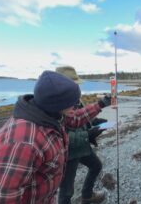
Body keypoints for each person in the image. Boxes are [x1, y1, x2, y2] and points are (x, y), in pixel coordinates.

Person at [0, 70, 111, 204]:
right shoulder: (22, 143)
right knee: (66, 193)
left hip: (46, 197)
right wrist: (87, 135)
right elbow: (0, 199)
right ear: (59, 104)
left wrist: (101, 104)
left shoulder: (50, 113)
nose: (75, 105)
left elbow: (75, 118)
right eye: (72, 101)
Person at [56, 66, 107, 204]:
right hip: (69, 153)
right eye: (73, 84)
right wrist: (87, 135)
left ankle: (87, 195)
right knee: (66, 191)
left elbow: (78, 118)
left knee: (96, 166)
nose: (76, 88)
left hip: (82, 146)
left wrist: (94, 122)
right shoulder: (55, 105)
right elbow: (59, 137)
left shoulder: (74, 99)